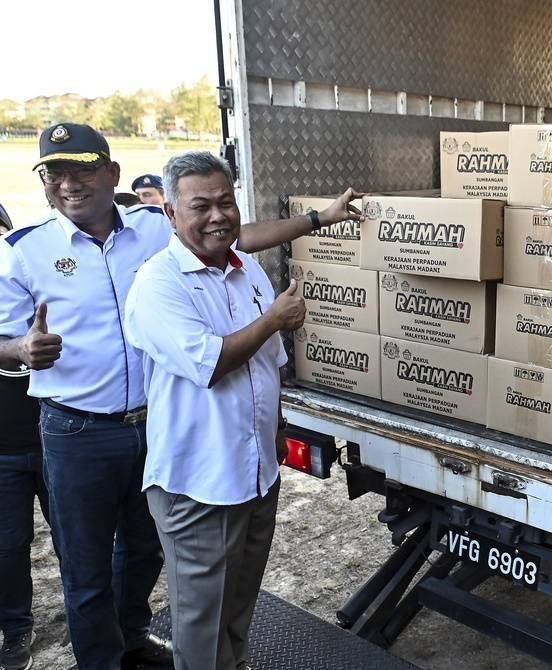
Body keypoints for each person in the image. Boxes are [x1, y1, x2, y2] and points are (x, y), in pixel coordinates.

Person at [0, 122, 363, 670]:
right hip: (80, 428)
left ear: (111, 173)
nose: (70, 184)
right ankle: (103, 662)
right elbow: (2, 341)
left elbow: (237, 232)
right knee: (86, 565)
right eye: (56, 173)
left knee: (144, 553)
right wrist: (21, 349)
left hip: (153, 421)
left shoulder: (152, 226)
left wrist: (316, 220)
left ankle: (135, 638)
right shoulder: (27, 249)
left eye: (83, 169)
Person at [123, 151, 302, 669]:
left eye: (226, 202)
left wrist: (276, 434)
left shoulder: (246, 272)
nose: (218, 215)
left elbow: (269, 368)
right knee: (201, 624)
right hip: (198, 486)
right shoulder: (159, 283)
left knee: (239, 606)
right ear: (171, 215)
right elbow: (212, 364)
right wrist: (273, 320)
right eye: (200, 206)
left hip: (255, 475)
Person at [0, 205, 50, 670]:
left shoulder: (42, 299)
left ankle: (100, 618)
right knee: (8, 545)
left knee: (79, 540)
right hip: (2, 453)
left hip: (58, 441)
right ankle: (15, 629)